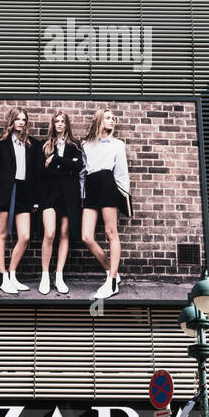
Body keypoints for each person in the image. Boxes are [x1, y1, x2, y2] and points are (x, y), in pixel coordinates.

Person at [0, 108, 41, 294]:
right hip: (4, 191)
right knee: (2, 233)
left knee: (24, 236)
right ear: (11, 121)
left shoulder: (32, 145)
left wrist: (35, 200)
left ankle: (11, 274)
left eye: (24, 119)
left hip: (24, 192)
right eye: (17, 119)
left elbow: (35, 175)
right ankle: (1, 277)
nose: (21, 122)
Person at [80, 109, 130, 299]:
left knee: (111, 233)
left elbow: (122, 173)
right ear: (99, 119)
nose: (112, 121)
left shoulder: (118, 144)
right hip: (92, 188)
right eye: (108, 117)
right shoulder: (85, 144)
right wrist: (82, 194)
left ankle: (111, 281)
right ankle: (113, 272)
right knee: (86, 236)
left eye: (114, 119)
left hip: (108, 185)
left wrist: (124, 197)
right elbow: (83, 173)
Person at [38, 111, 83, 294]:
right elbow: (42, 172)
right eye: (56, 121)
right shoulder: (45, 145)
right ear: (52, 124)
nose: (59, 124)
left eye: (62, 121)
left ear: (67, 124)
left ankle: (59, 275)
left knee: (64, 233)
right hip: (50, 195)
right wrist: (67, 166)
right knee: (50, 233)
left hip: (69, 195)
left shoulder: (75, 146)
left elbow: (78, 167)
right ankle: (44, 275)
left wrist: (56, 161)